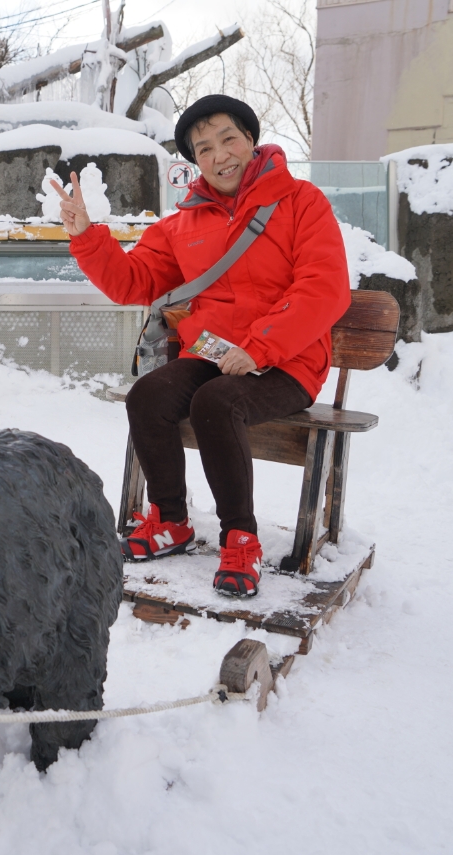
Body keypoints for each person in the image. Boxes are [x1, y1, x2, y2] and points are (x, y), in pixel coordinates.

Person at [52, 94, 351, 598]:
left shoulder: (302, 202)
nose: (220, 156)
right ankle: (171, 520)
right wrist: (86, 237)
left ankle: (240, 537)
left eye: (228, 139)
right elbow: (134, 282)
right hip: (214, 353)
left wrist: (260, 347)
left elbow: (323, 288)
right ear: (194, 161)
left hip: (289, 360)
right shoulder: (182, 223)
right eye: (204, 149)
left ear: (251, 140)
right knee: (149, 395)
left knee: (217, 402)